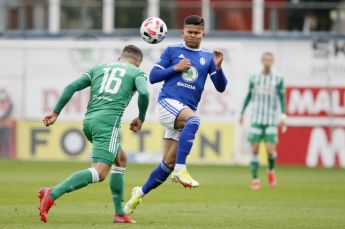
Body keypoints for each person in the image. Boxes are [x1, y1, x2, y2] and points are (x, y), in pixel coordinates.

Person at [124, 15, 228, 215]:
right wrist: (176, 68)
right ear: (183, 32)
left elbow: (221, 87)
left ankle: (139, 194)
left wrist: (218, 67)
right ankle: (182, 169)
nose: (193, 35)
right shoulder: (172, 51)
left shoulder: (207, 58)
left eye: (197, 33)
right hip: (167, 104)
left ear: (203, 35)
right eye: (189, 32)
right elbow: (153, 77)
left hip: (182, 112)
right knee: (194, 120)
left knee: (166, 165)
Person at [37, 45, 150, 224]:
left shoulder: (99, 68)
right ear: (138, 62)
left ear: (121, 57)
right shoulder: (137, 73)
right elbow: (144, 92)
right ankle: (52, 193)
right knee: (100, 173)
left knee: (120, 160)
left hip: (89, 122)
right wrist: (141, 118)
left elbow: (72, 86)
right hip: (108, 124)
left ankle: (119, 213)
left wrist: (56, 112)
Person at [239, 52, 287, 190]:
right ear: (261, 61)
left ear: (273, 61)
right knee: (254, 150)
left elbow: (282, 97)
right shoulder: (254, 78)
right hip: (256, 119)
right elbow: (249, 95)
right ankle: (255, 179)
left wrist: (283, 115)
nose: (267, 61)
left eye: (269, 59)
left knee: (270, 151)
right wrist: (242, 113)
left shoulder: (278, 78)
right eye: (265, 59)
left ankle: (271, 170)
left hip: (271, 119)